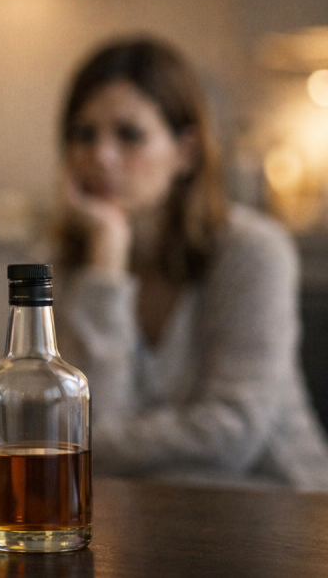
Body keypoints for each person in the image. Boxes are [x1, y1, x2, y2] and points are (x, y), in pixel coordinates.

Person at [52, 36, 328, 491]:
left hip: (283, 508)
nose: (100, 156)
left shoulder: (253, 250)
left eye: (129, 135)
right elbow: (89, 419)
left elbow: (234, 435)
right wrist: (107, 259)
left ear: (186, 151)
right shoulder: (68, 265)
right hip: (148, 516)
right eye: (84, 134)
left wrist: (97, 445)